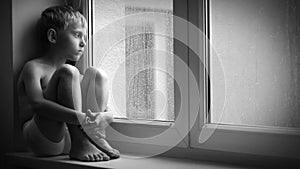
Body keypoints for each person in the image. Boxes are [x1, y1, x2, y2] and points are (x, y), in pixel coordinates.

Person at [17, 5, 120, 162]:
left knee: (96, 74)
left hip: (68, 139)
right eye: (77, 35)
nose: (83, 43)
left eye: (85, 37)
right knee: (68, 72)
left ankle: (92, 137)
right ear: (53, 36)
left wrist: (107, 117)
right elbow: (37, 104)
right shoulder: (34, 67)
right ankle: (81, 141)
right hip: (43, 139)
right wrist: (81, 118)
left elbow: (105, 109)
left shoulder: (74, 75)